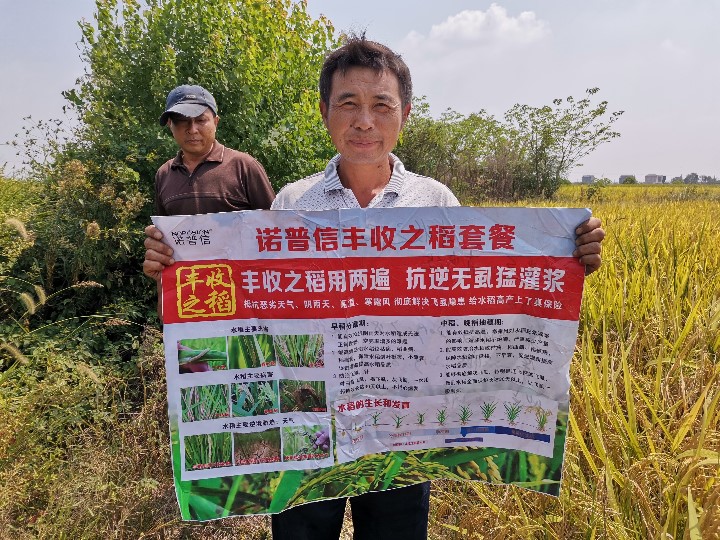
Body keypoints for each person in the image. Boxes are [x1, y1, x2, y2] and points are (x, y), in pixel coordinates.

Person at [143, 38, 605, 539]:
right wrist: (177, 266)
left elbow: (480, 289)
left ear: (405, 114)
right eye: (348, 104)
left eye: (381, 105)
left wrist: (564, 256)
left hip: (403, 427)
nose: (364, 121)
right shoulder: (294, 202)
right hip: (310, 421)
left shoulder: (435, 201)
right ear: (324, 111)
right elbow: (258, 297)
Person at [143, 84, 275, 315]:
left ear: (216, 121)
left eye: (200, 120)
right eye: (182, 121)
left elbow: (275, 233)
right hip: (188, 301)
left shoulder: (244, 167)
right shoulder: (164, 174)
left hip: (243, 303)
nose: (192, 129)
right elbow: (165, 243)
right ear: (170, 126)